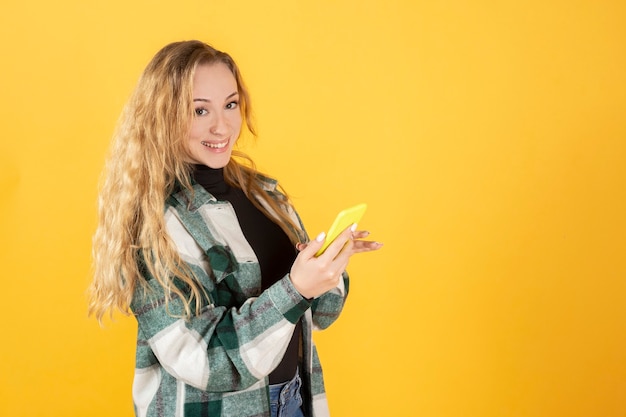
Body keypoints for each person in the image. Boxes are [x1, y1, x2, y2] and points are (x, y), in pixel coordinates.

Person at [88, 40, 382, 417]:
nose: (222, 125)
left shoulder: (262, 194)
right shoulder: (155, 226)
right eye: (199, 110)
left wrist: (328, 267)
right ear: (162, 116)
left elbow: (317, 316)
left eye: (230, 104)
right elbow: (207, 362)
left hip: (292, 400)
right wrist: (298, 288)